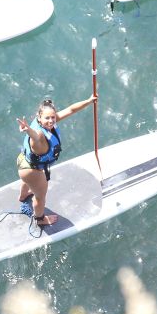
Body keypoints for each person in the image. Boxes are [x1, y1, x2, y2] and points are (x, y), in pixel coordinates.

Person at [16, 95, 97, 227]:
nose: (51, 121)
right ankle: (40, 219)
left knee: (30, 183)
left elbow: (71, 110)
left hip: (23, 162)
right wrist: (28, 130)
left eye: (53, 117)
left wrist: (88, 101)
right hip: (31, 171)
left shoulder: (47, 123)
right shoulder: (40, 134)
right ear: (39, 118)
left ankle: (23, 195)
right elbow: (35, 137)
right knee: (40, 197)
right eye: (47, 118)